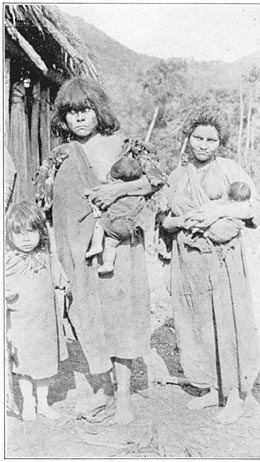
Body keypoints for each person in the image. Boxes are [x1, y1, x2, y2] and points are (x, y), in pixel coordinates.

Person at [36, 77, 166, 425]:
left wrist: (113, 194)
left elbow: (154, 180)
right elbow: (47, 207)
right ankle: (103, 390)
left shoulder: (123, 145)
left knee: (121, 317)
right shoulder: (59, 155)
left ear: (99, 110)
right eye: (71, 113)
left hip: (118, 246)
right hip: (76, 251)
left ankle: (123, 396)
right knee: (88, 318)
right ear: (62, 120)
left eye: (85, 110)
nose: (79, 119)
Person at [162, 105, 260, 424]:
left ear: (221, 143)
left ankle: (234, 395)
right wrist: (183, 219)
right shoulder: (177, 176)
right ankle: (209, 387)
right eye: (198, 138)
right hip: (188, 259)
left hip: (223, 259)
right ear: (188, 137)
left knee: (228, 321)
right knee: (196, 322)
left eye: (212, 140)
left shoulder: (230, 169)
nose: (204, 145)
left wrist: (216, 213)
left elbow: (252, 207)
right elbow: (164, 220)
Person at [5, 201, 69, 421]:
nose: (26, 238)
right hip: (21, 323)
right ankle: (28, 402)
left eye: (31, 232)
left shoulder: (44, 256)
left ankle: (42, 401)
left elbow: (56, 271)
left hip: (44, 322)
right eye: (19, 233)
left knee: (44, 363)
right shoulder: (8, 261)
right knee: (24, 365)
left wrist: (62, 279)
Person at [85, 145, 167, 273]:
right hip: (129, 228)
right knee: (112, 242)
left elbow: (97, 194)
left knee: (100, 225)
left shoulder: (113, 186)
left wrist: (89, 193)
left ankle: (96, 246)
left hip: (113, 223)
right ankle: (108, 264)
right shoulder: (136, 193)